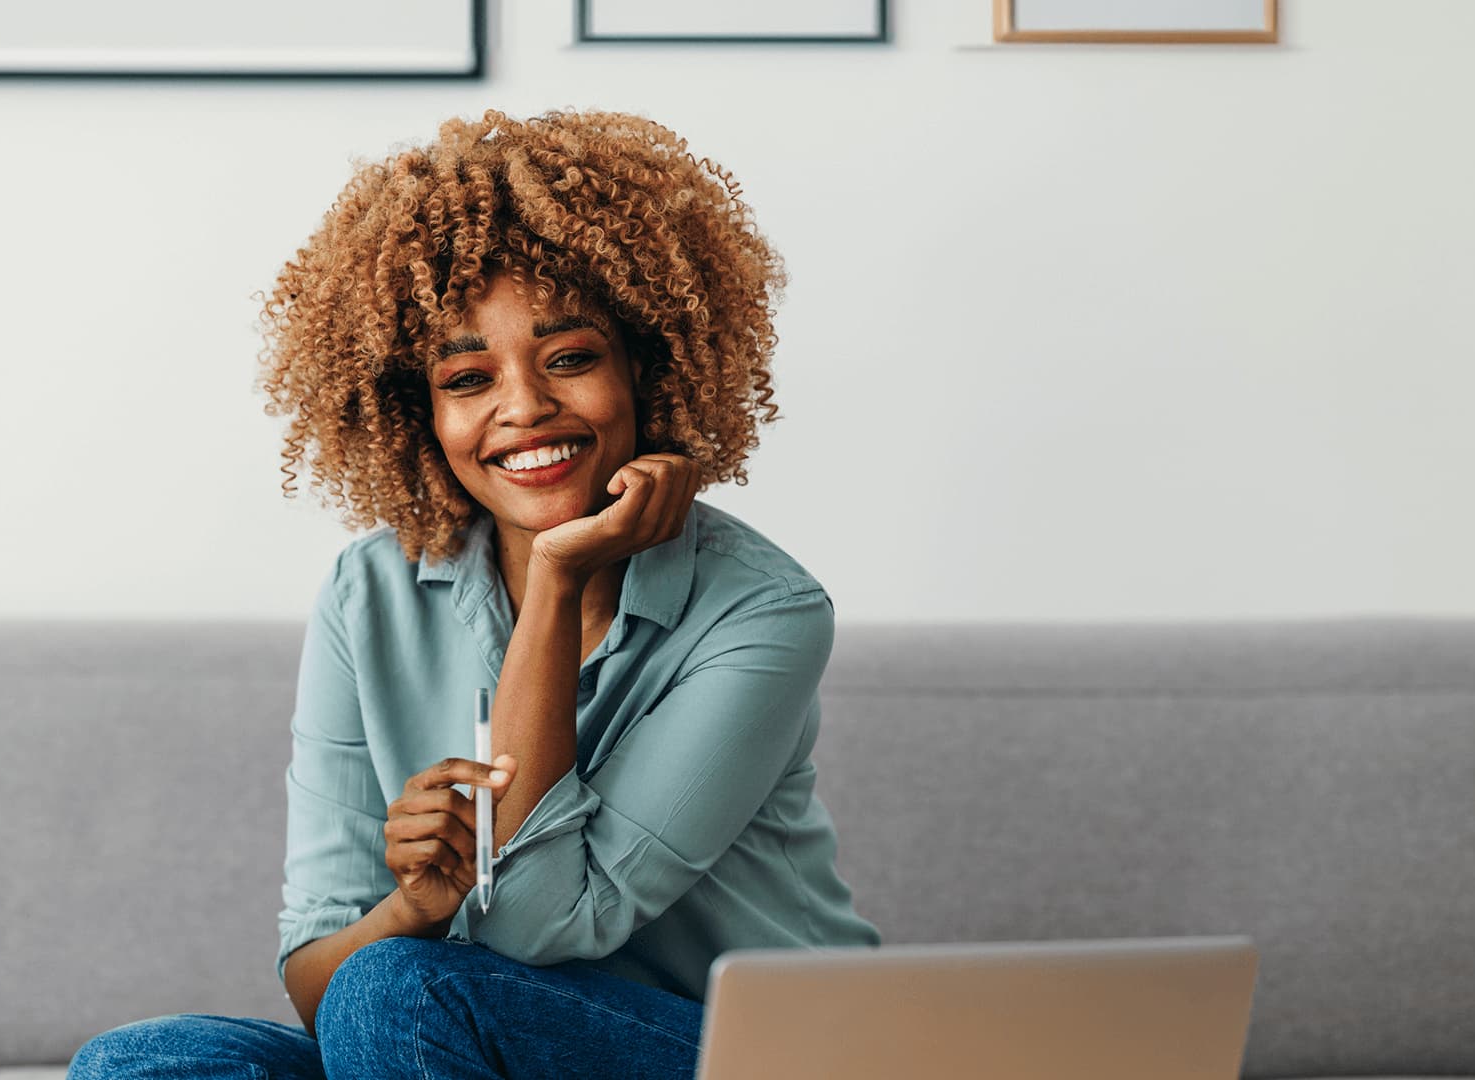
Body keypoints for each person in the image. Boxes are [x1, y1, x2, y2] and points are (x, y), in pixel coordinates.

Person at [67, 107, 879, 1080]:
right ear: (422, 413)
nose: (525, 408)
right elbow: (318, 978)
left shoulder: (762, 613)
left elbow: (546, 920)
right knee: (144, 1063)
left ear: (646, 366)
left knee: (400, 990)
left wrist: (561, 572)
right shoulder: (370, 593)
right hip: (459, 1043)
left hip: (750, 1058)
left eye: (570, 357)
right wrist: (416, 901)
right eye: (467, 377)